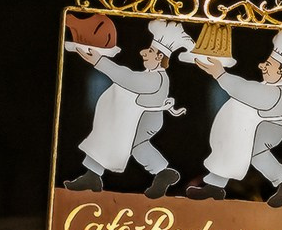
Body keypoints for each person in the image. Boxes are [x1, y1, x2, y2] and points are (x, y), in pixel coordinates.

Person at [186, 29, 282, 207]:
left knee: (235, 152)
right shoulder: (273, 86)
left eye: (268, 64)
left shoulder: (275, 91)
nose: (262, 66)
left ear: (280, 71)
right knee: (256, 156)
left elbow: (245, 90)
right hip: (259, 130)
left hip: (263, 131)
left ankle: (215, 186)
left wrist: (221, 74)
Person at [65, 19, 194, 198]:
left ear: (158, 57)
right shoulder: (152, 75)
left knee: (126, 142)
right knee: (126, 143)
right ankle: (93, 175)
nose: (143, 53)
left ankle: (163, 173)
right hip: (141, 117)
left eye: (149, 51)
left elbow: (127, 78)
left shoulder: (155, 78)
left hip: (144, 119)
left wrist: (100, 61)